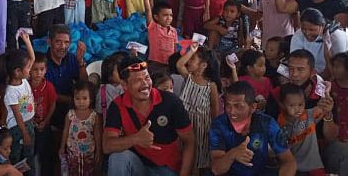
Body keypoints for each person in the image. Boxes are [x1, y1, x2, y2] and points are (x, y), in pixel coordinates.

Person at [268, 49, 348, 176]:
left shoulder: (323, 95)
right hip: (286, 150)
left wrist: (328, 114)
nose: (294, 74)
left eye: (300, 69)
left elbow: (332, 137)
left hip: (319, 149)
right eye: (291, 69)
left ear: (312, 72)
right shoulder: (277, 94)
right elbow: (270, 132)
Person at [103, 57, 195, 176]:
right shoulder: (117, 105)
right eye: (137, 80)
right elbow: (107, 146)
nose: (145, 84)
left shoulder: (170, 101)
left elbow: (189, 141)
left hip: (167, 169)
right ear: (124, 85)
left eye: (147, 78)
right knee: (118, 157)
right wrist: (136, 139)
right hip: (137, 166)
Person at [209, 81, 296, 176]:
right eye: (228, 105)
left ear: (253, 107)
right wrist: (232, 154)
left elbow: (289, 161)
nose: (231, 111)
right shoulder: (219, 125)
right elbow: (216, 169)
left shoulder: (267, 123)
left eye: (238, 106)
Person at [176, 44, 220, 174]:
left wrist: (214, 128)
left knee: (197, 157)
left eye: (192, 59)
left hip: (201, 125)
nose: (188, 61)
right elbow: (179, 65)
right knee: (183, 153)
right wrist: (192, 51)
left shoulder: (211, 86)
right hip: (185, 122)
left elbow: (215, 109)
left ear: (203, 65)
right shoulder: (188, 77)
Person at [1, 34, 36, 173]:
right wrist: (25, 133)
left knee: (29, 158)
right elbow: (17, 115)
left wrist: (27, 42)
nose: (30, 69)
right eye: (28, 67)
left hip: (28, 124)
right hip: (18, 129)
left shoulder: (24, 79)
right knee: (18, 158)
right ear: (17, 72)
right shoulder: (11, 91)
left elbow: (32, 58)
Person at [276, 84, 326, 176]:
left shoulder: (309, 114)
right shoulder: (279, 124)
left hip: (314, 165)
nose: (297, 109)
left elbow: (323, 107)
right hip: (293, 167)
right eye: (292, 105)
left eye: (300, 104)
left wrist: (326, 95)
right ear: (282, 104)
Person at [290, 8, 348, 75]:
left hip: (339, 74)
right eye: (304, 29)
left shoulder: (336, 36)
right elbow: (295, 60)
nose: (307, 33)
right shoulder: (298, 34)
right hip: (311, 73)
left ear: (322, 26)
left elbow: (337, 70)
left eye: (311, 30)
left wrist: (327, 50)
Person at [60, 81, 101, 176]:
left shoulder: (94, 116)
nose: (81, 102)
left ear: (90, 99)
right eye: (77, 98)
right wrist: (62, 147)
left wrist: (98, 150)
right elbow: (65, 131)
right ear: (73, 99)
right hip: (73, 153)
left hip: (89, 153)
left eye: (84, 98)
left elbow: (97, 134)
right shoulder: (70, 114)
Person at [29, 53, 58, 176]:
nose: (38, 73)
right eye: (35, 69)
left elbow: (53, 104)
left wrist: (46, 121)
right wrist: (31, 122)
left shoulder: (49, 86)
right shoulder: (26, 86)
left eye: (42, 69)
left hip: (44, 126)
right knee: (31, 152)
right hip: (30, 125)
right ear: (29, 70)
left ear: (46, 70)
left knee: (44, 153)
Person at [143, 0, 178, 67]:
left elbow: (174, 48)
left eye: (171, 15)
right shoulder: (153, 28)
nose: (169, 18)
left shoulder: (174, 31)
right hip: (154, 64)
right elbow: (148, 10)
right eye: (165, 15)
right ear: (156, 17)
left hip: (168, 64)